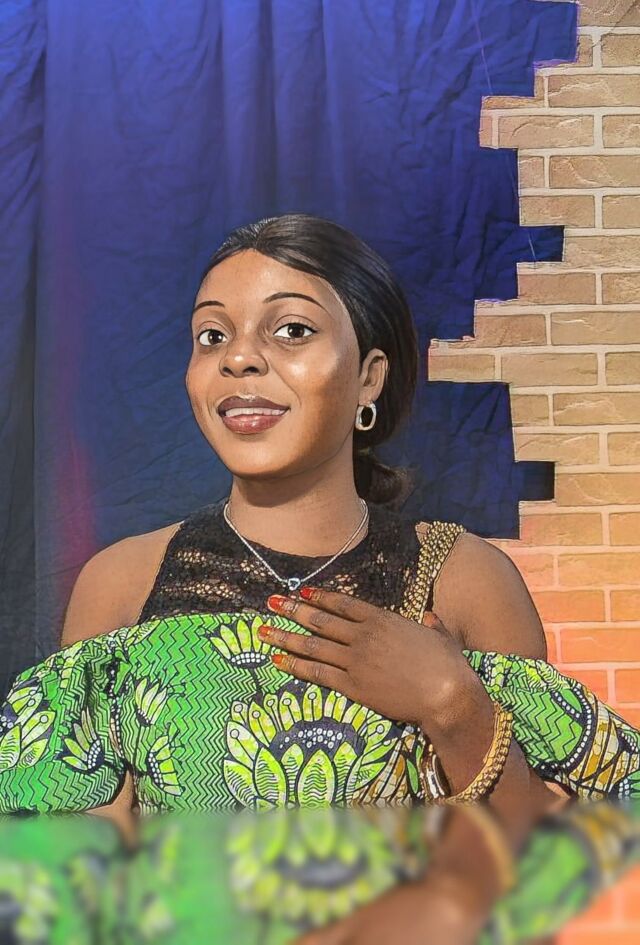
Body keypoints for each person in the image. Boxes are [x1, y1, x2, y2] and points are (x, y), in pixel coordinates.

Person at [2, 215, 639, 836]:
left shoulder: (465, 578)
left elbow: (537, 864)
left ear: (368, 378)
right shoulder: (121, 582)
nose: (239, 358)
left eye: (292, 329)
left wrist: (452, 703)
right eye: (212, 336)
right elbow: (82, 864)